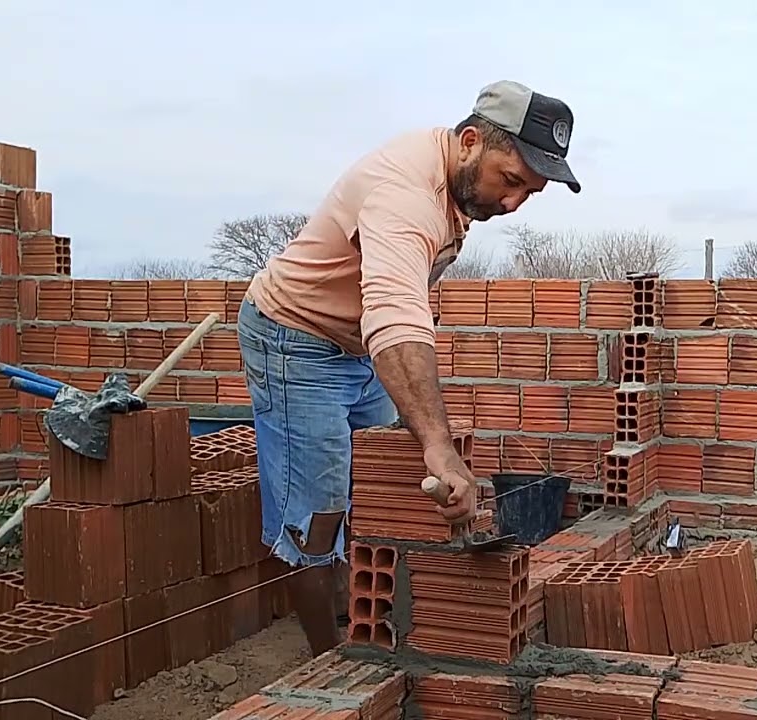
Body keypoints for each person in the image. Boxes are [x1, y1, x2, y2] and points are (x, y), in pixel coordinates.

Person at [236, 80, 581, 656]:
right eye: (512, 181)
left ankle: (367, 616)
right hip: (294, 337)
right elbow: (395, 318)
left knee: (382, 481)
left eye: (531, 192)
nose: (514, 203)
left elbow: (396, 310)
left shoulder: (458, 184)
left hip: (356, 344)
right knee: (318, 511)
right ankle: (329, 660)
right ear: (470, 141)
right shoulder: (405, 194)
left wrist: (427, 435)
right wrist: (440, 446)